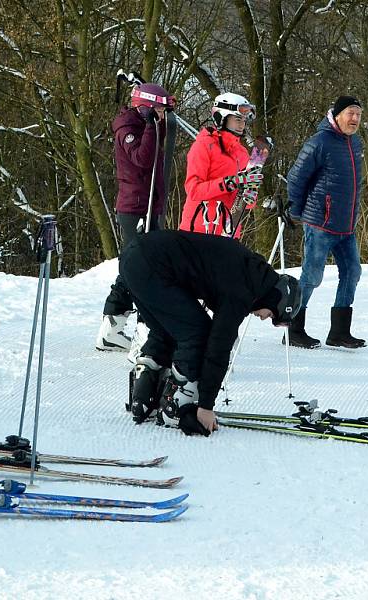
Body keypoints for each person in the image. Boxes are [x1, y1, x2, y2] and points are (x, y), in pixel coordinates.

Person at [119, 230, 300, 436]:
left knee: (167, 329)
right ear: (277, 299)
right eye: (272, 316)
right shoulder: (244, 289)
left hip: (134, 257)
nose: (264, 318)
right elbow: (218, 349)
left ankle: (143, 398)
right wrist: (205, 407)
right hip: (153, 266)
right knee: (198, 333)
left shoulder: (251, 272)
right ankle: (176, 407)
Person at [95, 82, 176, 352]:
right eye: (159, 111)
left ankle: (113, 326)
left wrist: (159, 122)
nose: (163, 116)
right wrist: (153, 125)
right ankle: (137, 328)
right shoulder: (127, 129)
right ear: (147, 109)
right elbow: (143, 158)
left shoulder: (145, 125)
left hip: (149, 204)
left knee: (137, 266)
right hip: (135, 208)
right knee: (140, 268)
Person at [285, 95, 366, 349]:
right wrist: (294, 212)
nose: (354, 119)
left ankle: (339, 333)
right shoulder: (319, 142)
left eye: (358, 115)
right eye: (350, 113)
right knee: (312, 276)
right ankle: (294, 329)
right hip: (320, 222)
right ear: (337, 115)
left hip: (346, 225)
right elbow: (296, 177)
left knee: (352, 272)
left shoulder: (355, 143)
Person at [178, 92, 268, 238]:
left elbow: (247, 203)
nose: (242, 125)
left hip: (229, 231)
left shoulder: (242, 153)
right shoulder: (203, 146)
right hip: (198, 230)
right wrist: (230, 182)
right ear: (221, 117)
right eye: (238, 119)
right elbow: (193, 190)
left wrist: (251, 191)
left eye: (244, 120)